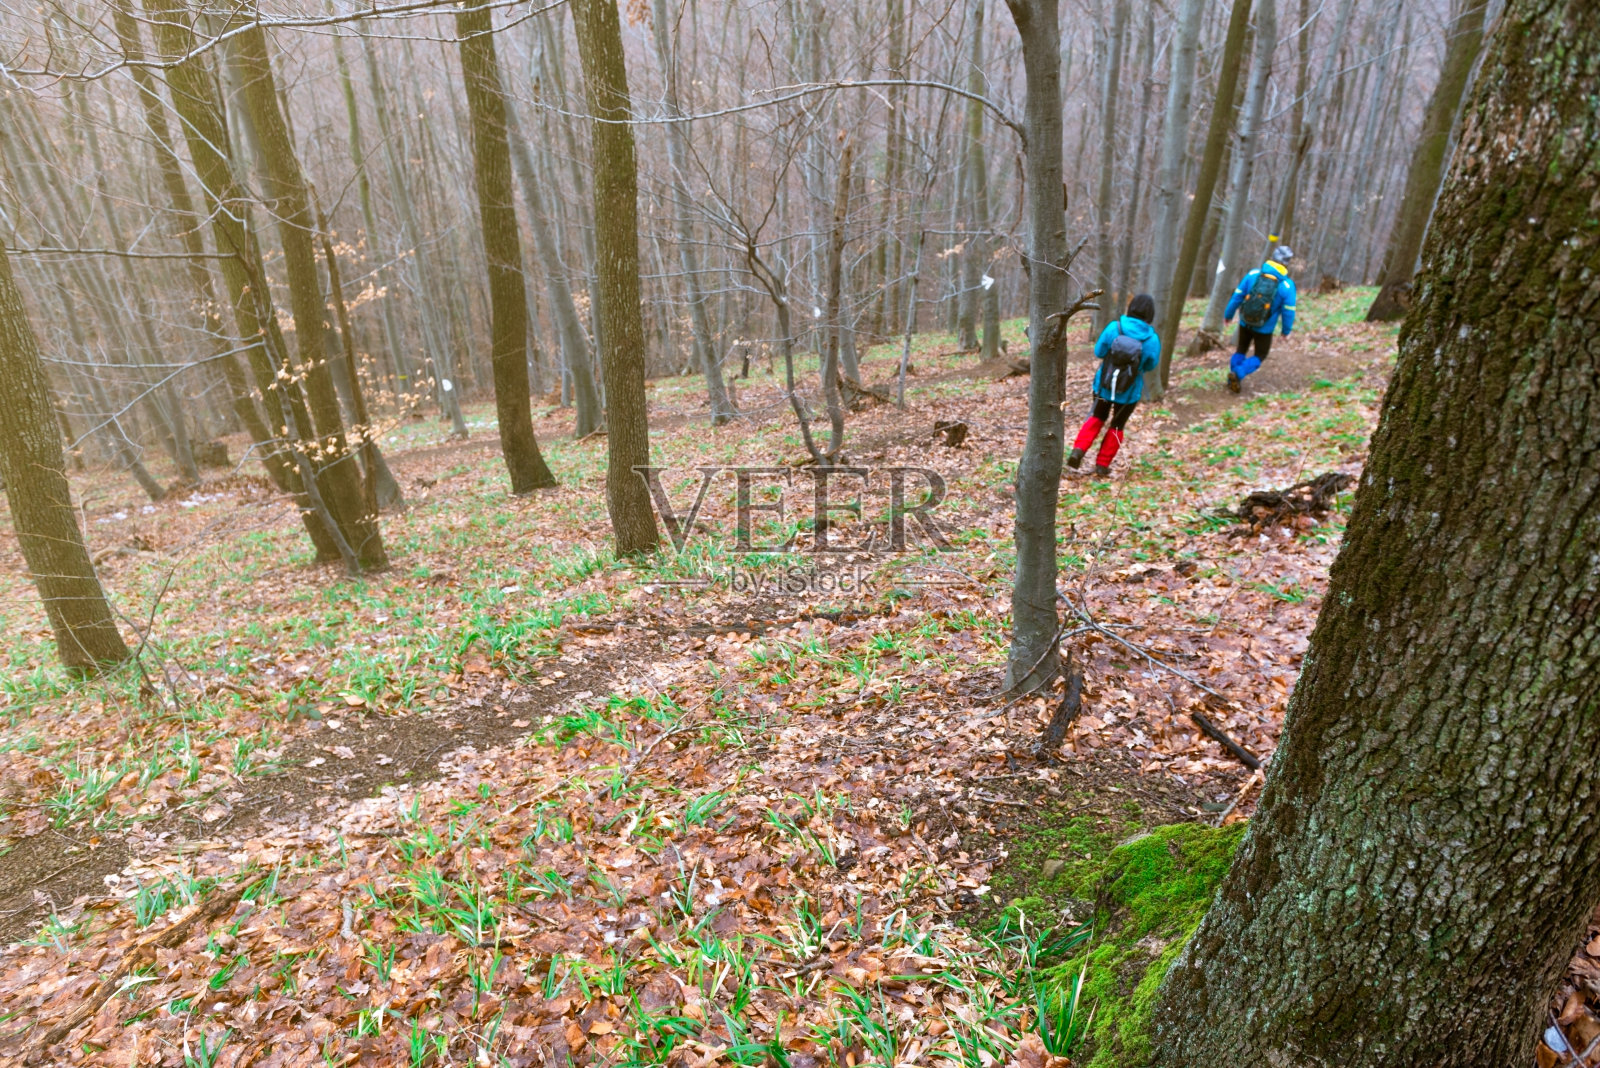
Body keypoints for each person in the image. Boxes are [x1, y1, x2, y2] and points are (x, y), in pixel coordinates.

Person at [1068, 293, 1161, 477]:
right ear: (1150, 314)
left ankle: (1078, 450)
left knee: (1097, 416)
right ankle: (1102, 465)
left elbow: (1099, 351)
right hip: (1129, 392)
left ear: (1131, 307)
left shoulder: (1114, 328)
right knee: (1117, 425)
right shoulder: (1152, 340)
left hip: (1104, 385)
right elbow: (1151, 364)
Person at [1223, 245, 1298, 393]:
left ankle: (1232, 378)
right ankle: (1238, 373)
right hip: (1264, 328)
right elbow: (1288, 311)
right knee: (1260, 355)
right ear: (1286, 263)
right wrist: (1286, 331)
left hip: (1245, 322)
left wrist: (1228, 315)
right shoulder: (1287, 285)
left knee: (1241, 350)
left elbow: (1237, 297)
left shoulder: (1253, 274)